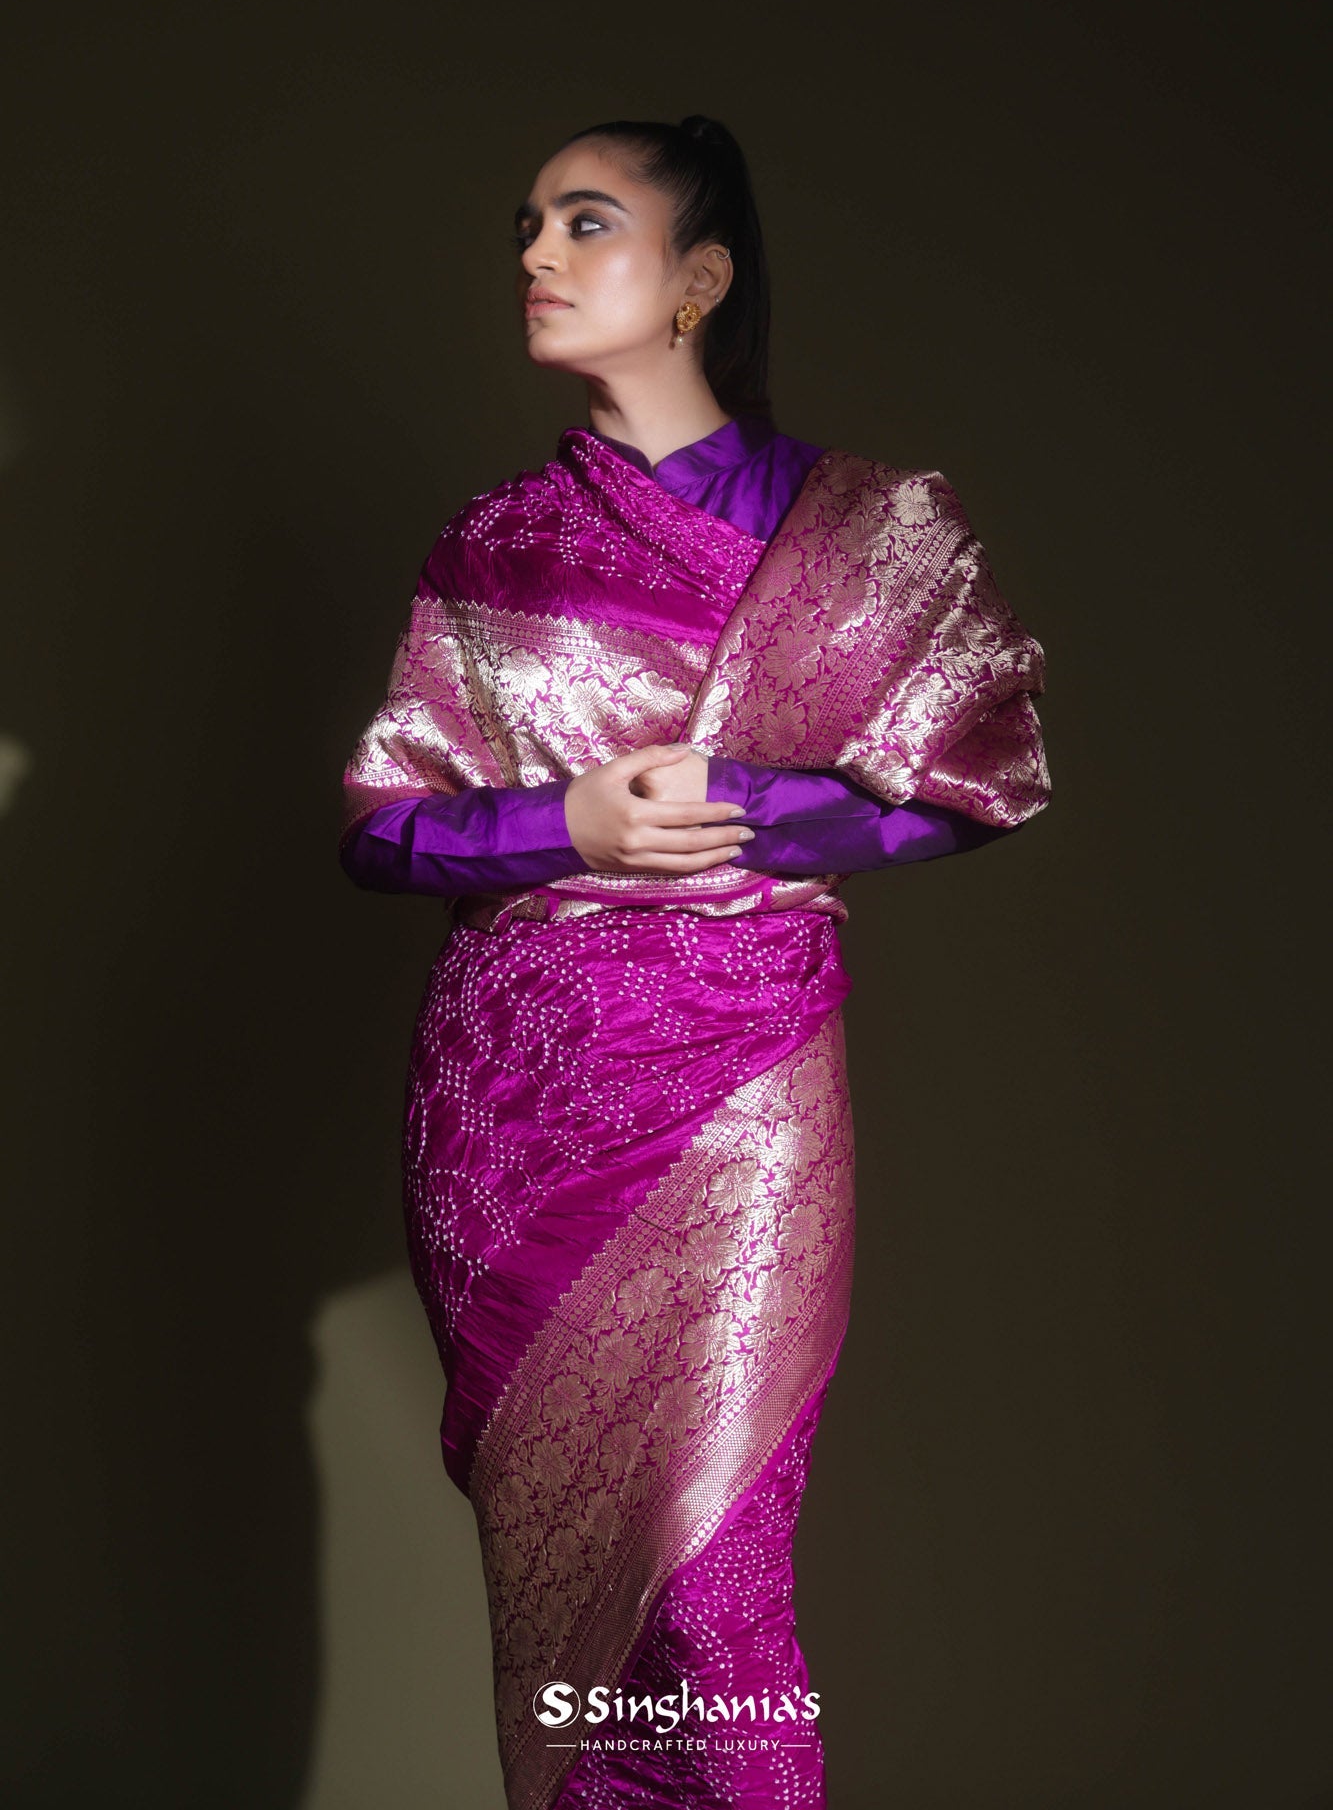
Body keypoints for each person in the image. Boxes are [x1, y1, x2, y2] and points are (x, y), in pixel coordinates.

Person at [340, 115, 1050, 1809]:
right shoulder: (494, 543)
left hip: (742, 1073)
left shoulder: (867, 530)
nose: (535, 254)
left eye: (586, 223)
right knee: (568, 1585)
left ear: (699, 279)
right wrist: (567, 824)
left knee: (714, 1577)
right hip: (515, 1089)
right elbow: (380, 826)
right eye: (529, 223)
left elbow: (982, 775)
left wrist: (739, 807)